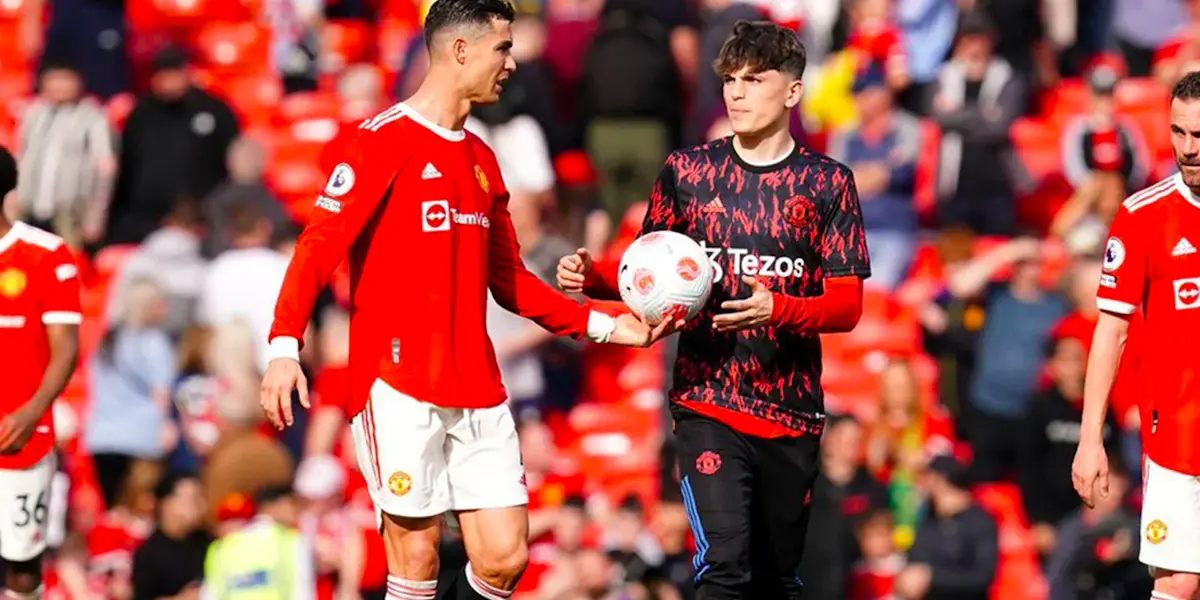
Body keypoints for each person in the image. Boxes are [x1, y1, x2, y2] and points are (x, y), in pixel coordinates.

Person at [258, 2, 674, 600]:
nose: (512, 63)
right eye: (502, 49)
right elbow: (317, 248)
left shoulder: (481, 160)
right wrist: (283, 347)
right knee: (416, 559)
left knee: (505, 558)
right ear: (461, 50)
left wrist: (607, 325)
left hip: (477, 384)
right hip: (397, 383)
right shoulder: (380, 141)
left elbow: (511, 282)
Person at [558, 20, 871, 599]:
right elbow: (646, 273)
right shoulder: (688, 172)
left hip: (789, 411)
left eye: (754, 80)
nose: (737, 94)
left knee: (776, 579)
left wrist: (775, 308)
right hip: (707, 401)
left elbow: (847, 306)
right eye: (730, 80)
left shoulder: (828, 183)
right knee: (723, 563)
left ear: (793, 91)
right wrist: (595, 277)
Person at [1073, 69, 1200, 600]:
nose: (1188, 149)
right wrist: (1090, 439)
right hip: (1177, 433)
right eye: (1178, 132)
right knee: (1178, 583)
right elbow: (1112, 330)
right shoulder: (1143, 215)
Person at [0, 144, 83, 600]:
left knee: (21, 564)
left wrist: (31, 412)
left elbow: (65, 348)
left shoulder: (45, 254)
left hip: (19, 435)